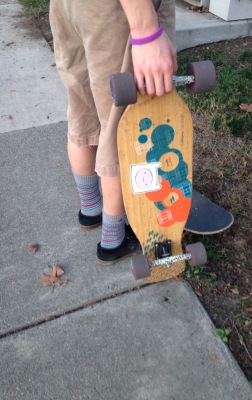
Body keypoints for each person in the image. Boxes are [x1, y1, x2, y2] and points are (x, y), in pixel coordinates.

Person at [49, 0, 177, 264]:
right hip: (116, 10)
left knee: (81, 111)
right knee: (122, 128)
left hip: (69, 6)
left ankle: (92, 208)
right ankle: (113, 238)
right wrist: (146, 30)